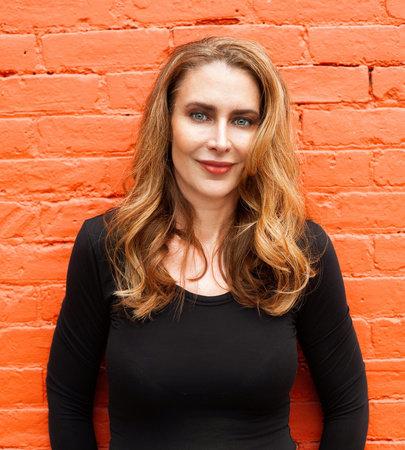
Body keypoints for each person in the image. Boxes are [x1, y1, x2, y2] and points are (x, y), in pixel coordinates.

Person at [46, 36, 369, 449]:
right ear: (168, 122)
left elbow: (348, 405)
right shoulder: (108, 245)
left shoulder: (299, 251)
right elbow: (69, 401)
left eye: (242, 120)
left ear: (263, 133)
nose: (220, 140)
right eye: (200, 115)